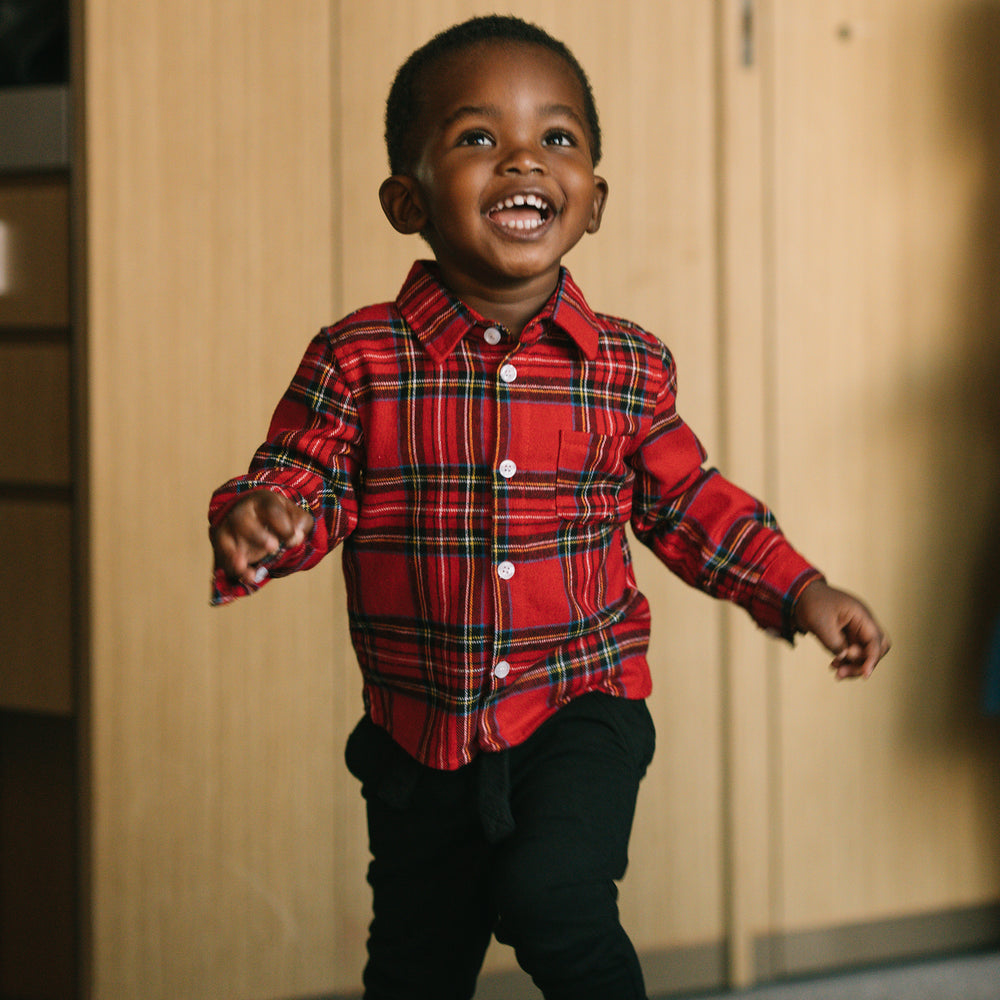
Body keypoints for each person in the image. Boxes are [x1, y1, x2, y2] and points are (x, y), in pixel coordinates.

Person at [208, 15, 890, 1000]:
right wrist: (262, 518)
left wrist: (799, 588)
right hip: (420, 730)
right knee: (413, 961)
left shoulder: (626, 364)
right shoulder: (356, 359)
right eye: (477, 137)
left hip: (582, 701)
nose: (523, 157)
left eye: (557, 139)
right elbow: (298, 478)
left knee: (552, 901)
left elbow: (687, 501)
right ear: (406, 200)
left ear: (593, 201)